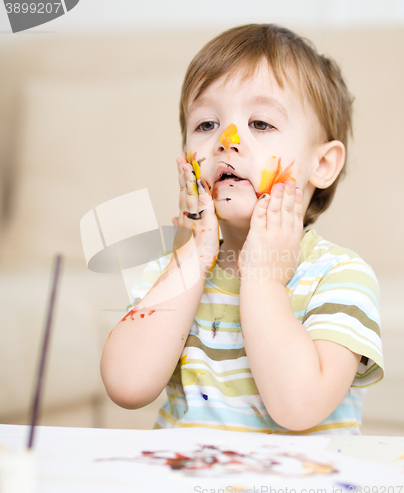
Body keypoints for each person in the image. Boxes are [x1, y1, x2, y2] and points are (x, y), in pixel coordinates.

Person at [100, 24, 384, 435]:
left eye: (261, 124)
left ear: (322, 165)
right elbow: (126, 386)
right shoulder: (175, 272)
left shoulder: (340, 277)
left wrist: (264, 278)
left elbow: (299, 407)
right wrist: (192, 257)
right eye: (206, 124)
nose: (226, 141)